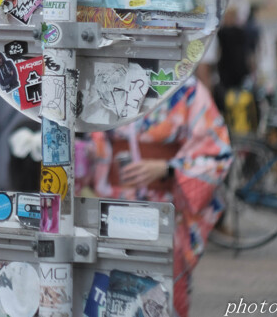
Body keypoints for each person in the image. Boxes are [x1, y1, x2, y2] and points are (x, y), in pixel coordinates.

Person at [85, 78, 232, 317]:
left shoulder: (187, 90)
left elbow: (216, 152)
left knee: (163, 296)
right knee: (104, 295)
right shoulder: (104, 77)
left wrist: (168, 167)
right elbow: (88, 142)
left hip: (164, 211)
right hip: (109, 210)